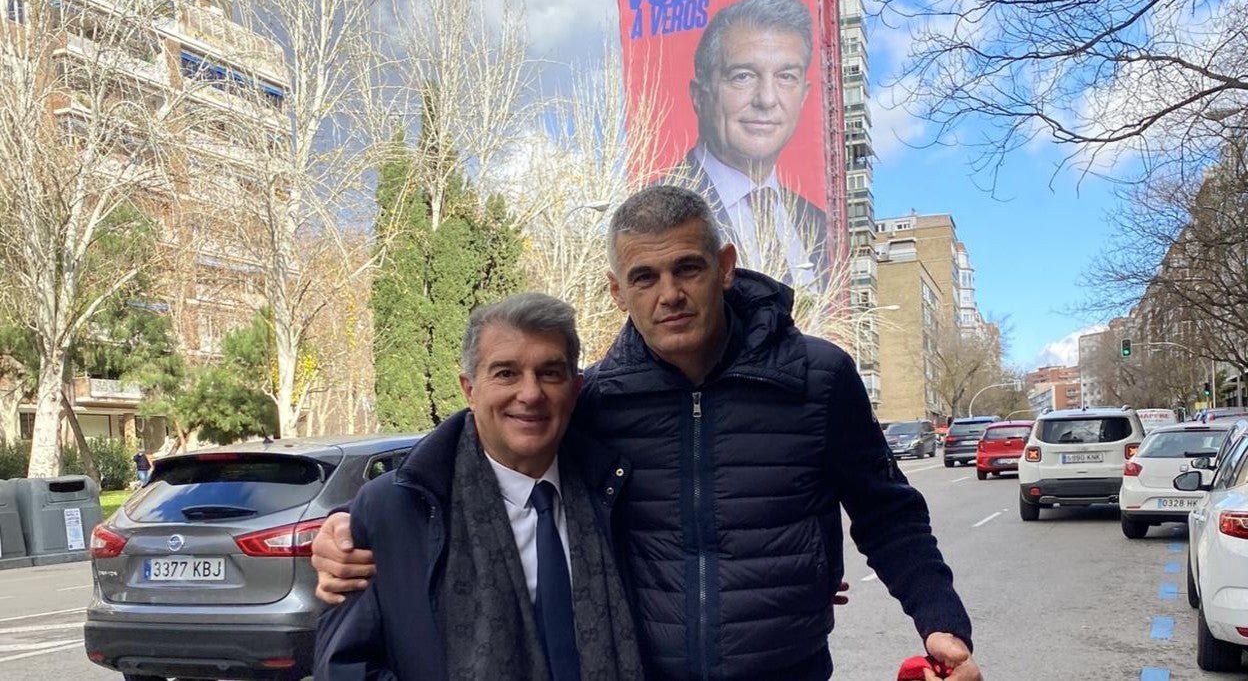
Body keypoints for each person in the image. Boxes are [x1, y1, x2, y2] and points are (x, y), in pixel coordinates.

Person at [314, 186, 980, 680]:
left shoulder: (818, 377)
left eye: (687, 267)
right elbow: (487, 443)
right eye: (645, 276)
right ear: (616, 291)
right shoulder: (594, 399)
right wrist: (352, 521)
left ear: (724, 265)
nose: (670, 294)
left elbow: (888, 513)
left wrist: (940, 620)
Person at [313, 293, 641, 680]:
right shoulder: (392, 512)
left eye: (550, 372)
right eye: (506, 373)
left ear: (575, 387)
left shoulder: (614, 494)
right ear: (469, 389)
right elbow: (345, 669)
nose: (531, 393)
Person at [661, 0, 829, 286]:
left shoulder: (818, 223)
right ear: (700, 95)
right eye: (743, 76)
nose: (766, 99)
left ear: (805, 93)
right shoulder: (660, 211)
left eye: (786, 76)